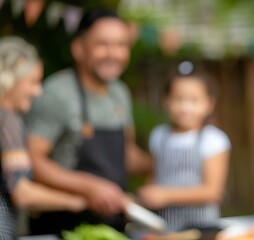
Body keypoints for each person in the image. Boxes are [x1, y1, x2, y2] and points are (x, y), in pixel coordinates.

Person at [24, 8, 150, 235]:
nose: (114, 53)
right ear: (78, 49)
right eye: (103, 44)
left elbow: (126, 153)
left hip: (110, 227)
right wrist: (89, 187)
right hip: (60, 226)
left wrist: (164, 159)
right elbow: (32, 159)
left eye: (122, 45)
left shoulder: (120, 93)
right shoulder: (57, 92)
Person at [0, 36, 86, 238]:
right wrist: (78, 201)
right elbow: (22, 193)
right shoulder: (6, 120)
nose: (38, 91)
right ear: (10, 78)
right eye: (33, 82)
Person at [136, 64, 231, 231]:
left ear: (209, 104)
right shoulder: (159, 136)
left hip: (201, 229)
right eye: (178, 99)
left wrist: (165, 196)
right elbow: (154, 176)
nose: (185, 107)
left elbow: (213, 191)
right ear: (166, 101)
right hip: (163, 228)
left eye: (193, 101)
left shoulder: (213, 139)